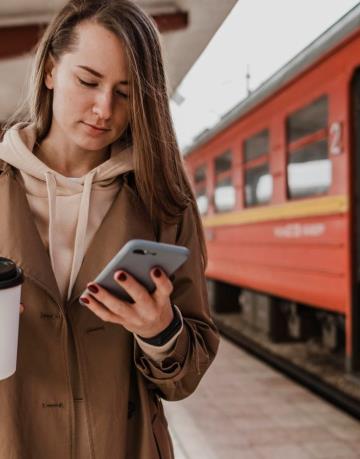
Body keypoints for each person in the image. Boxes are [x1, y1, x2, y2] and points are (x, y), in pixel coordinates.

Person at [0, 0, 219, 458]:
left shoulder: (164, 203)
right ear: (51, 71)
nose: (104, 108)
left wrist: (161, 331)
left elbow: (186, 375)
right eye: (88, 81)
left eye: (125, 92)